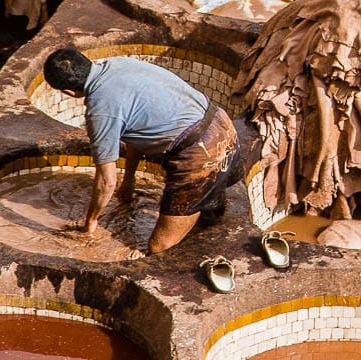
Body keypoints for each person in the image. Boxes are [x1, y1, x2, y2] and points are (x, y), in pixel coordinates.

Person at [43, 47, 240, 254]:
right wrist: (129, 181)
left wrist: (90, 224)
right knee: (206, 218)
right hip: (222, 125)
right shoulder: (119, 64)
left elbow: (106, 181)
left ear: (68, 92)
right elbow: (135, 132)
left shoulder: (100, 110)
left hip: (201, 155)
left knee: (159, 248)